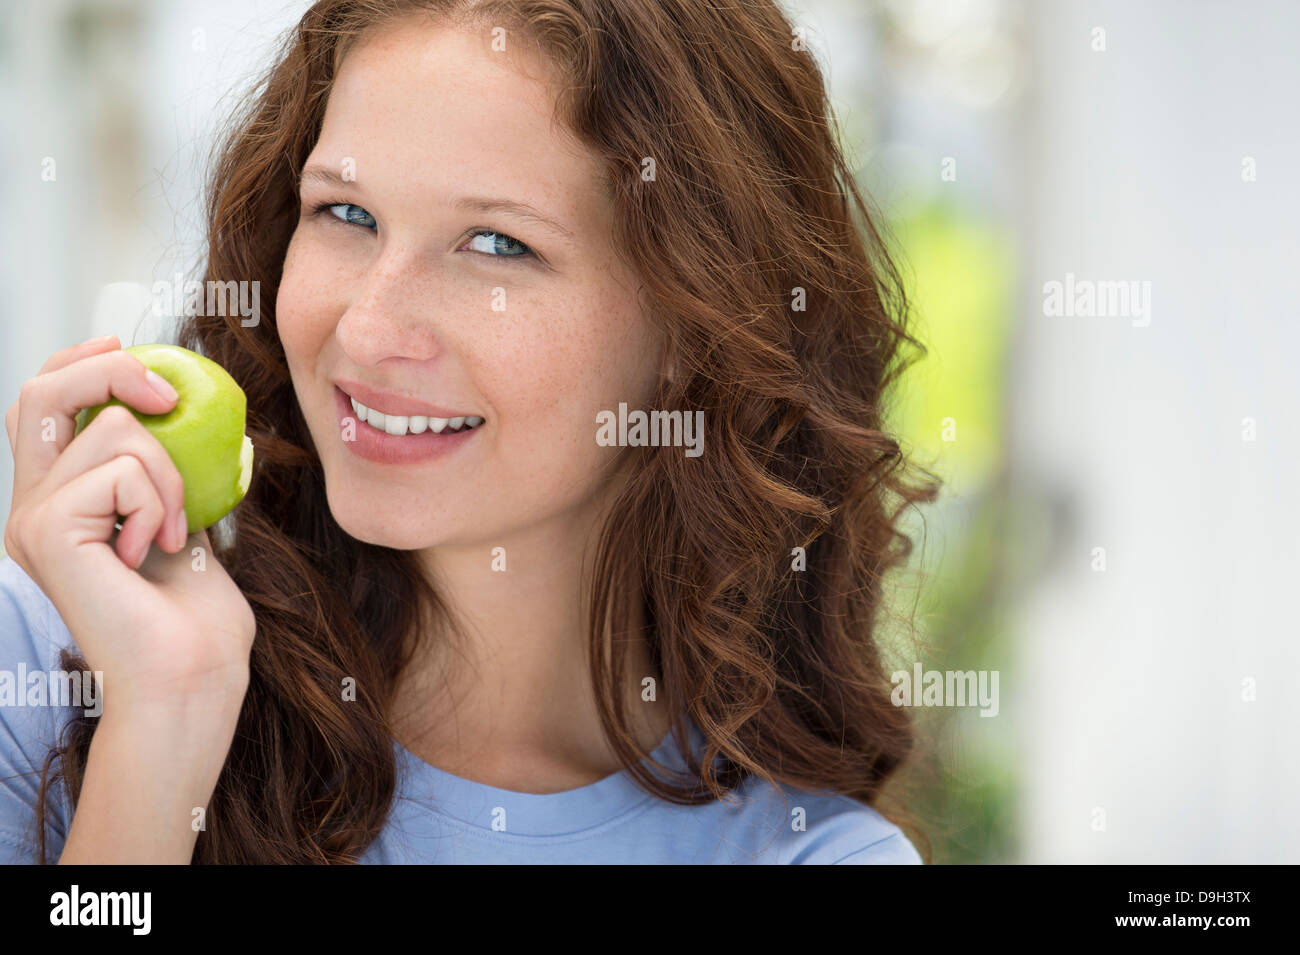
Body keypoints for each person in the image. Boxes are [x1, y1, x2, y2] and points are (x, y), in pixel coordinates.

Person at [0, 0, 938, 864]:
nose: (364, 331)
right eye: (346, 212)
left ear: (693, 328)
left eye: (497, 243)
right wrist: (160, 734)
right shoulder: (56, 666)